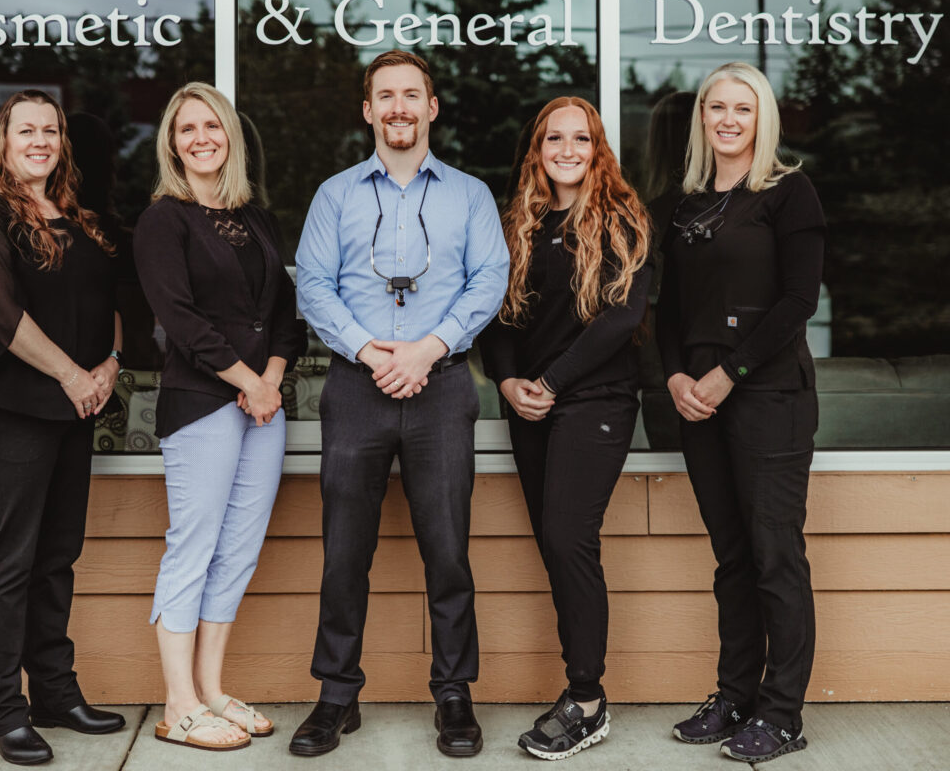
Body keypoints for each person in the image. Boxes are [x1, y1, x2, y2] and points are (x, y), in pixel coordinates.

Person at [291, 50, 508, 758]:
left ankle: (453, 693)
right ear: (368, 111)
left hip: (442, 385)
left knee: (447, 549)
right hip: (357, 385)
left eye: (411, 95)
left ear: (432, 107)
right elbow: (314, 287)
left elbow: (488, 281)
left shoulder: (470, 195)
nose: (398, 108)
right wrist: (369, 350)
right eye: (385, 96)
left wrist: (428, 349)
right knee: (344, 551)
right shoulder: (336, 195)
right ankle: (336, 694)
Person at [0, 89, 125, 766]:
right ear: (4, 139)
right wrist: (74, 376)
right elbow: (2, 316)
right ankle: (3, 708)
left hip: (75, 410)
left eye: (50, 130)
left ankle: (55, 692)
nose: (40, 140)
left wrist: (108, 364)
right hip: (16, 407)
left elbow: (108, 301)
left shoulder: (79, 218)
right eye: (27, 130)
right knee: (13, 559)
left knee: (57, 558)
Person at [656, 61, 824, 763]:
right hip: (698, 401)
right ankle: (735, 695)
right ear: (701, 118)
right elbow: (666, 308)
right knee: (731, 556)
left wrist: (730, 372)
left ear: (763, 119)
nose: (727, 119)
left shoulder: (789, 195)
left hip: (768, 397)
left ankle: (782, 712)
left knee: (773, 554)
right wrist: (672, 376)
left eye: (742, 108)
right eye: (715, 107)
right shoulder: (683, 201)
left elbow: (797, 302)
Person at [133, 83, 305, 752]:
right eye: (186, 130)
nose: (201, 138)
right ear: (172, 145)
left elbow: (286, 313)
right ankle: (177, 705)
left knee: (237, 550)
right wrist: (245, 381)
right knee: (195, 544)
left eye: (212, 126)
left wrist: (271, 381)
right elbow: (180, 320)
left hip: (261, 403)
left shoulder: (253, 216)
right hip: (203, 403)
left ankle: (210, 689)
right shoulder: (163, 220)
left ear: (230, 134)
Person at [480, 97, 651, 761]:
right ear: (538, 149)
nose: (568, 149)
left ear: (597, 147)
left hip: (596, 399)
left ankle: (587, 698)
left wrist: (552, 382)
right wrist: (506, 383)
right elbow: (497, 318)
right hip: (529, 405)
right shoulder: (518, 222)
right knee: (556, 544)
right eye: (555, 138)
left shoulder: (620, 218)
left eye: (581, 138)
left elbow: (617, 318)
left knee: (567, 537)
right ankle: (581, 688)